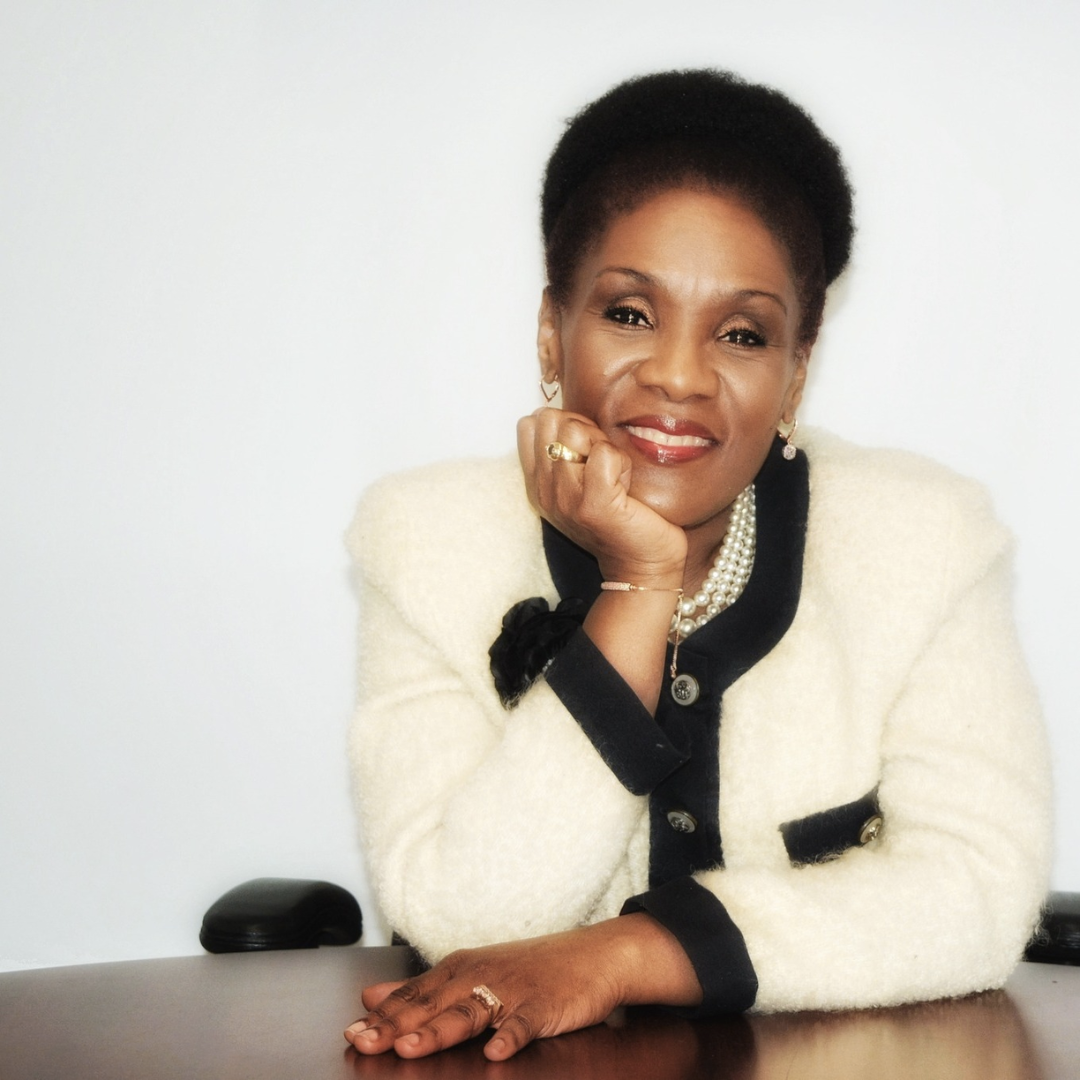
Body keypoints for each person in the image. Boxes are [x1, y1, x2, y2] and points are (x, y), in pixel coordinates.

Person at [342, 70, 1051, 1061]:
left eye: (742, 334)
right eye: (631, 314)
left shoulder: (926, 541)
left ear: (796, 373)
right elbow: (467, 921)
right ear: (551, 332)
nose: (678, 376)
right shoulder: (425, 543)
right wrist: (637, 587)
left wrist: (627, 955)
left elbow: (976, 891)